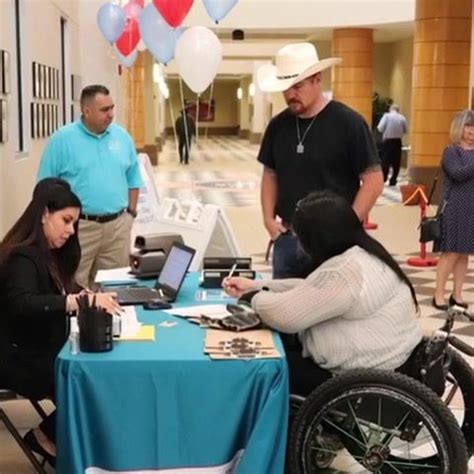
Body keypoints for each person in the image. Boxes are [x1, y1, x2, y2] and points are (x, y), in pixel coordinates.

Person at [223, 190, 422, 396]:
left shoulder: (343, 273)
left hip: (361, 378)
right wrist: (258, 286)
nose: (299, 245)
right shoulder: (365, 254)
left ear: (317, 240)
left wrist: (252, 299)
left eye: (300, 238)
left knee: (262, 366)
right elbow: (311, 290)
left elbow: (286, 316)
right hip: (395, 361)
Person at [0, 178, 121, 466]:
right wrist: (76, 303)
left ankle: (64, 439)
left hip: (35, 350)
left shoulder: (48, 255)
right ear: (44, 214)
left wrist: (85, 294)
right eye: (66, 221)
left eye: (74, 224)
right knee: (93, 379)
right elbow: (22, 303)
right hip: (18, 360)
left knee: (97, 373)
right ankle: (46, 436)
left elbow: (66, 290)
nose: (71, 230)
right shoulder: (22, 257)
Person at [257, 42, 384, 279]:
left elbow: (374, 180)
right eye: (285, 88)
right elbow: (270, 174)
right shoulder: (277, 126)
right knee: (286, 309)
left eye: (297, 86)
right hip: (288, 237)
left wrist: (347, 226)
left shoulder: (349, 123)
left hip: (333, 242)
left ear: (317, 79)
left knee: (331, 313)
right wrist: (267, 219)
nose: (290, 94)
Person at [37, 84, 143, 289]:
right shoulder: (62, 140)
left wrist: (131, 213)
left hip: (117, 227)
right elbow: (44, 185)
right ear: (86, 111)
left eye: (112, 108)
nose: (111, 114)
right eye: (105, 110)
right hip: (79, 227)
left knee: (116, 286)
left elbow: (134, 179)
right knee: (74, 283)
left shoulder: (122, 138)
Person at [433, 109, 474, 311]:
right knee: (450, 253)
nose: (472, 130)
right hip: (454, 208)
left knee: (464, 253)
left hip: (472, 208)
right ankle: (438, 295)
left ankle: (457, 295)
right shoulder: (451, 151)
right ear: (459, 127)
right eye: (468, 125)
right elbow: (458, 174)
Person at [377, 104, 408, 185]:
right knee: (396, 161)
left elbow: (380, 128)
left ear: (390, 109)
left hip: (388, 141)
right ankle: (393, 180)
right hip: (398, 142)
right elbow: (405, 130)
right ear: (398, 110)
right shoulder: (402, 117)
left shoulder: (386, 116)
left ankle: (384, 178)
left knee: (385, 160)